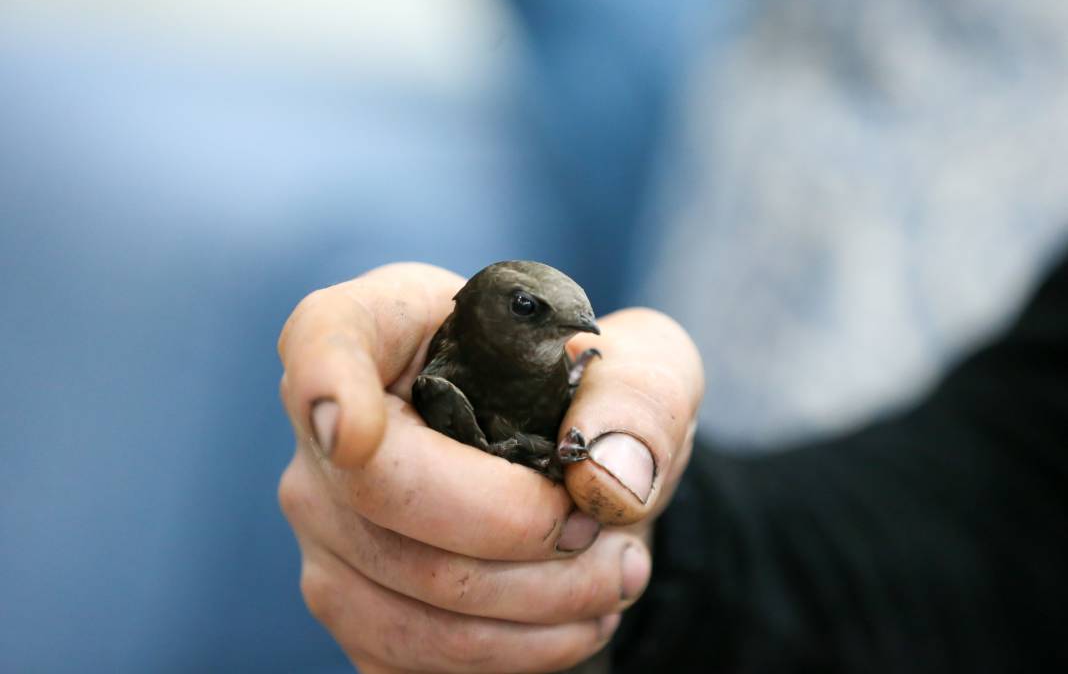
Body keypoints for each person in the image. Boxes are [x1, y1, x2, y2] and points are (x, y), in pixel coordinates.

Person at [276, 248, 1068, 672]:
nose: (578, 336)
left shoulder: (573, 347)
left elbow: (1017, 508)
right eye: (535, 315)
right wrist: (656, 535)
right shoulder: (464, 369)